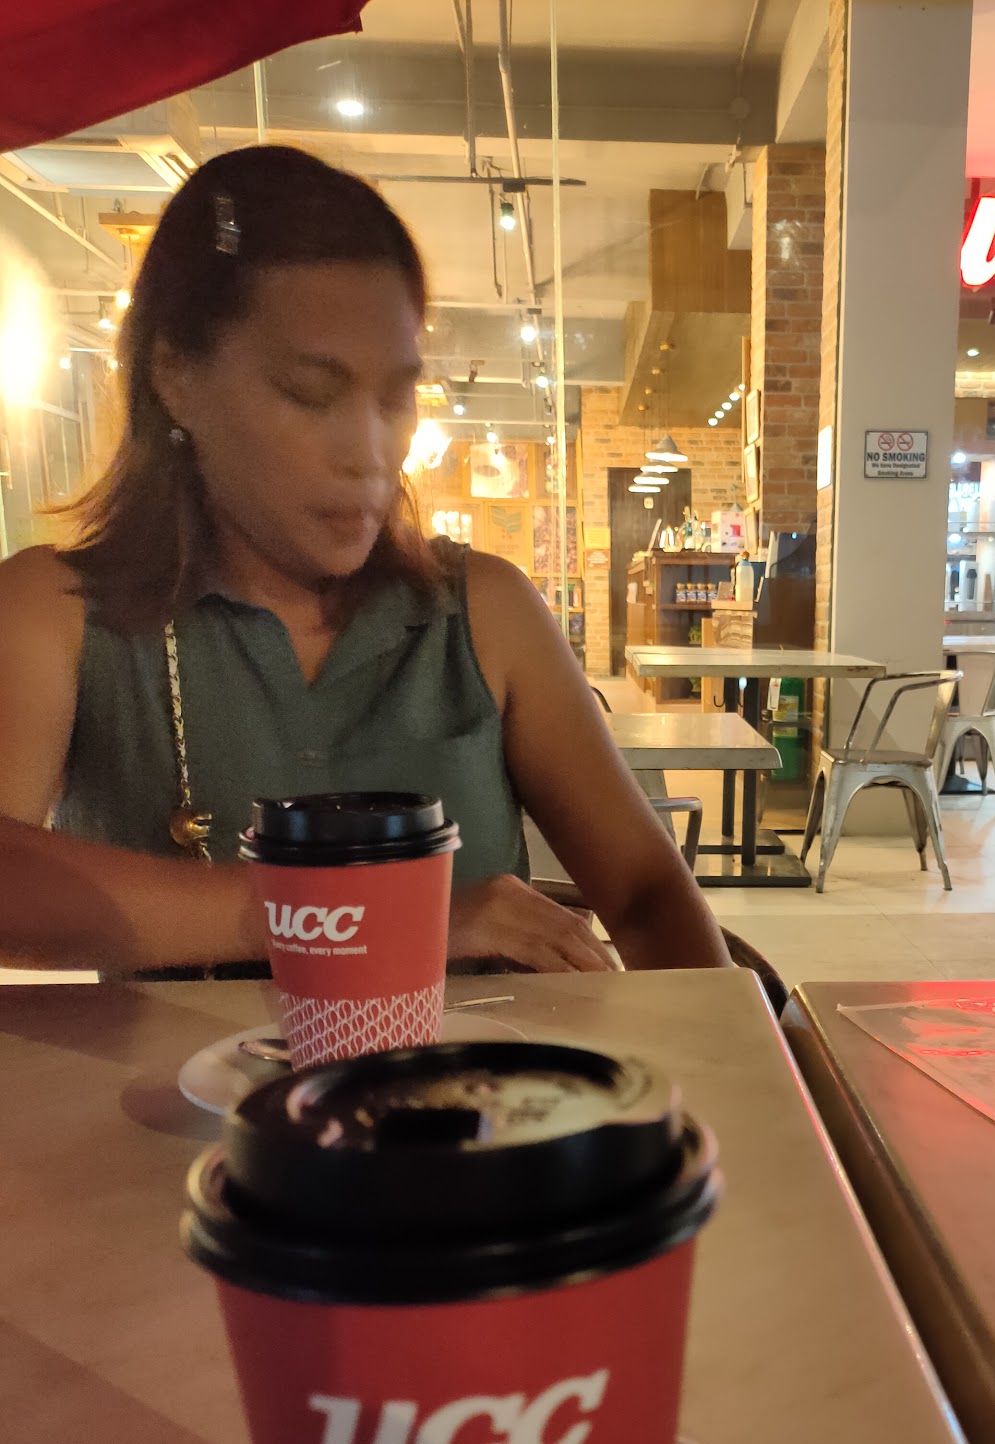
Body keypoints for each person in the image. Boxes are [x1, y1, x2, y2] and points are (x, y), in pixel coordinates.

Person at [0, 145, 729, 976]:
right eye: (310, 394)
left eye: (395, 397)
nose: (370, 451)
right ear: (175, 375)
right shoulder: (57, 612)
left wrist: (727, 1046)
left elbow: (645, 894)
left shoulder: (482, 612)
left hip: (478, 1063)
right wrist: (364, 916)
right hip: (191, 1071)